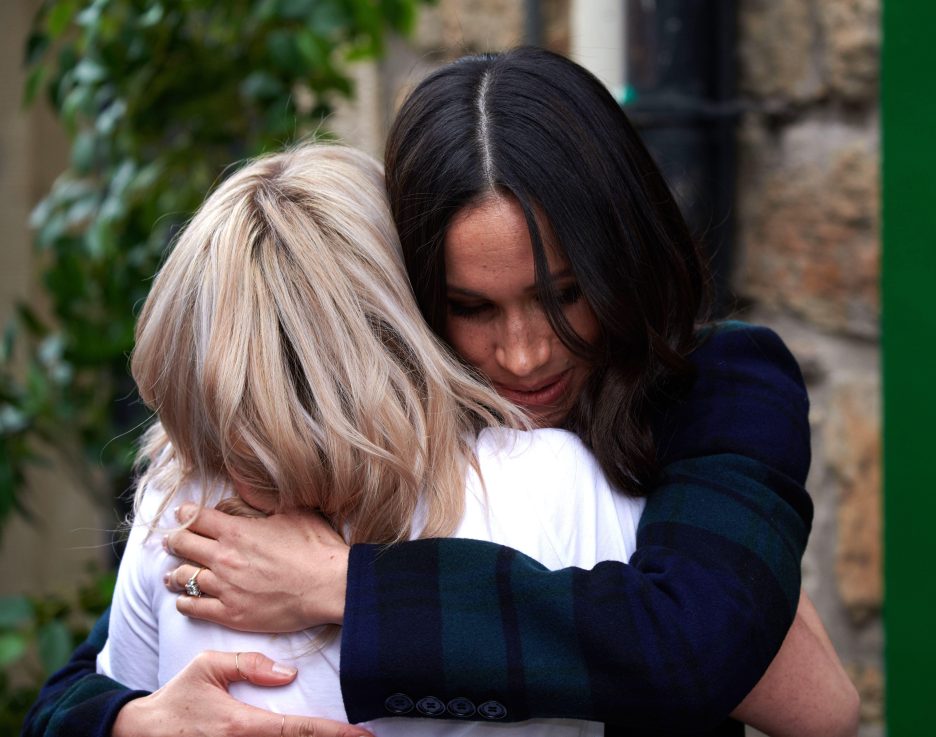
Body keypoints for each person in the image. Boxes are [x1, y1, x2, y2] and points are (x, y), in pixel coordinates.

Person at [22, 48, 858, 737]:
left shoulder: (717, 384)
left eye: (564, 294)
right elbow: (76, 687)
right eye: (471, 308)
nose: (526, 352)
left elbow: (708, 646)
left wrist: (343, 583)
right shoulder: (373, 435)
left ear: (621, 255)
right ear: (414, 304)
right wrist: (136, 722)